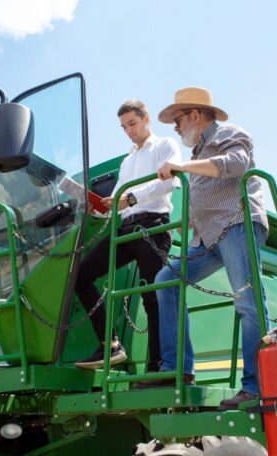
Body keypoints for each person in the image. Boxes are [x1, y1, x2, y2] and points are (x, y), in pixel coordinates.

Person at [137, 87, 270, 411]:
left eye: (177, 120)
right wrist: (192, 222)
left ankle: (256, 389)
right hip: (208, 237)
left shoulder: (229, 134)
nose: (176, 128)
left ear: (195, 115)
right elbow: (206, 194)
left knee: (248, 303)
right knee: (166, 280)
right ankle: (177, 369)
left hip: (237, 224)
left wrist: (181, 168)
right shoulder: (197, 155)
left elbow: (234, 165)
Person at [74, 100, 182, 371]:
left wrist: (131, 198)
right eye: (124, 127)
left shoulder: (165, 146)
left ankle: (157, 368)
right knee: (81, 275)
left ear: (146, 119)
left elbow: (169, 181)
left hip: (153, 228)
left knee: (151, 297)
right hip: (124, 229)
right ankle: (110, 345)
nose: (129, 131)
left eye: (132, 123)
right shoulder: (127, 160)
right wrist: (97, 210)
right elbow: (117, 204)